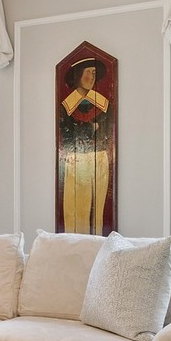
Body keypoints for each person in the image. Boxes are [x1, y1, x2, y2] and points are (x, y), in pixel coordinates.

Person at [59, 57, 111, 234]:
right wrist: (90, 127)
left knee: (98, 211)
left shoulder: (103, 104)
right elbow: (68, 135)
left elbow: (105, 132)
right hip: (76, 161)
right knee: (76, 209)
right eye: (88, 72)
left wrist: (89, 128)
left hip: (99, 158)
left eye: (94, 73)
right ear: (78, 76)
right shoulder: (67, 106)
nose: (91, 77)